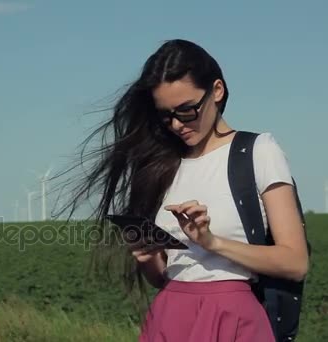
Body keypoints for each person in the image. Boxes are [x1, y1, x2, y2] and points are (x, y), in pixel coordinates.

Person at [56, 39, 309, 341]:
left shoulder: (258, 151)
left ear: (217, 91)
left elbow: (295, 263)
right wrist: (149, 258)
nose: (176, 124)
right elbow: (166, 277)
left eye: (186, 110)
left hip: (232, 316)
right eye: (165, 115)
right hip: (170, 313)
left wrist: (211, 242)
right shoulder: (162, 164)